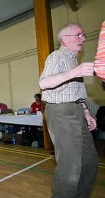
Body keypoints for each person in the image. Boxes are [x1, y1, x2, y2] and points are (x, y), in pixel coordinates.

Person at [39, 22, 98, 197]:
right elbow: (43, 83)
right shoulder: (56, 57)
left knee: (90, 161)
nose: (84, 38)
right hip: (61, 112)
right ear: (65, 39)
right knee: (70, 166)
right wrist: (74, 72)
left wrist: (86, 112)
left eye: (84, 35)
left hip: (76, 111)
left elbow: (76, 91)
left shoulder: (73, 60)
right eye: (79, 35)